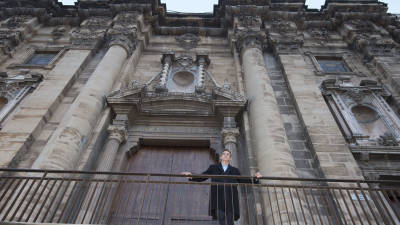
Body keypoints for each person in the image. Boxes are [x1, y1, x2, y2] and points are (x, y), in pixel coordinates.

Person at [182, 149, 262, 225]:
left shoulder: (235, 170)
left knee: (230, 221)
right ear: (221, 157)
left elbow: (243, 180)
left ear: (230, 158)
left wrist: (255, 179)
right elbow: (203, 176)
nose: (226, 155)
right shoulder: (213, 168)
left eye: (228, 154)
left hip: (231, 200)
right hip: (218, 199)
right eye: (224, 154)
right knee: (221, 219)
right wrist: (191, 175)